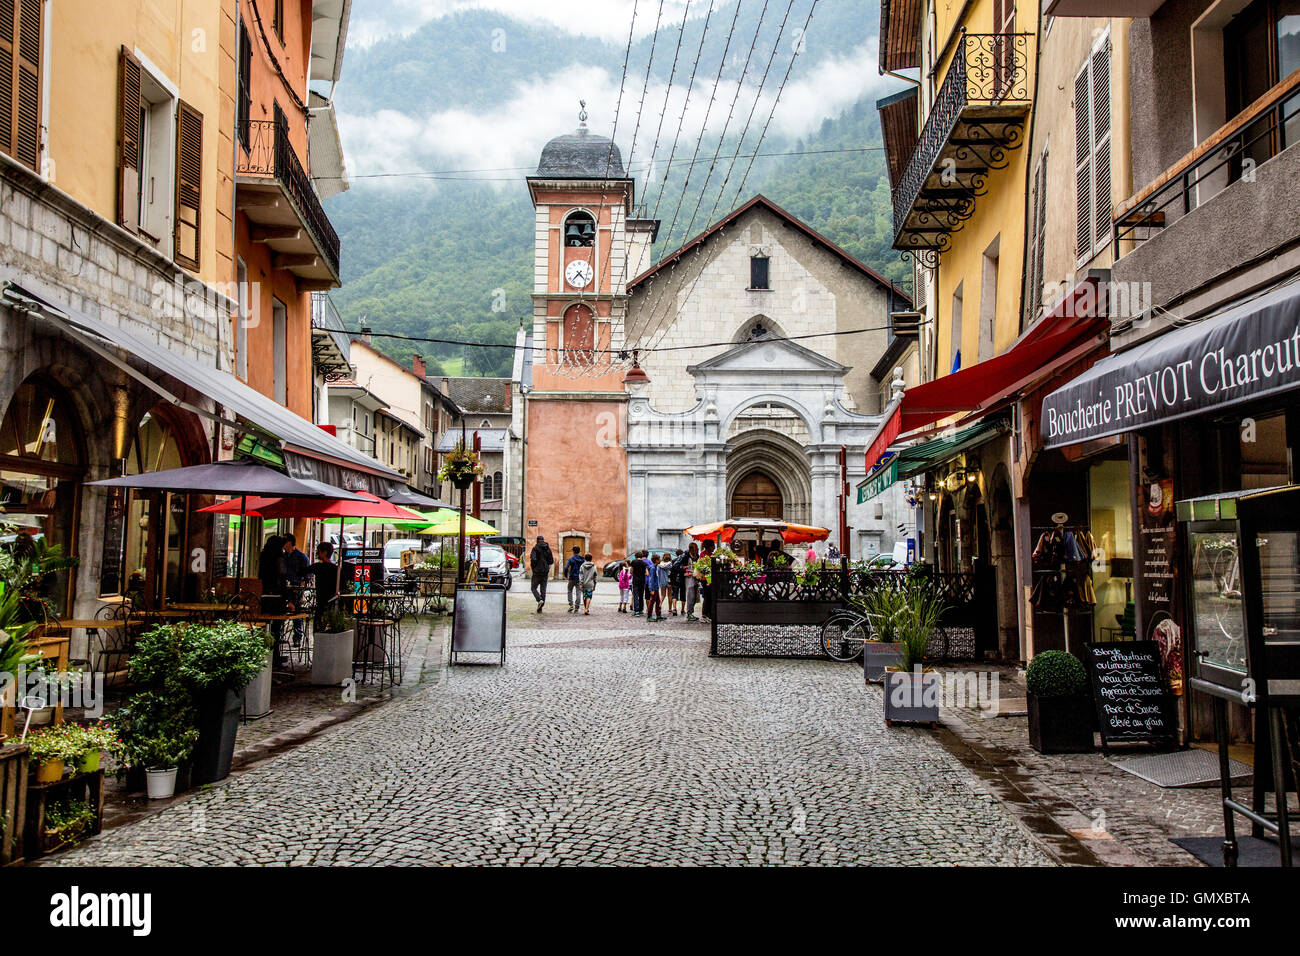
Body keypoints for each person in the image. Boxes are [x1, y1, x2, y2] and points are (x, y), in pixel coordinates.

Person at [529, 536, 554, 612]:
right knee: (543, 590)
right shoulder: (547, 549)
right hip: (545, 571)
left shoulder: (535, 548)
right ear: (543, 540)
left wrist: (534, 567)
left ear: (537, 540)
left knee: (533, 588)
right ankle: (541, 608)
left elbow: (533, 559)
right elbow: (551, 561)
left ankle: (539, 600)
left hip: (537, 571)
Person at [683, 542, 701, 621]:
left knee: (695, 597)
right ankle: (689, 613)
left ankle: (691, 612)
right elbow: (677, 566)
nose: (696, 551)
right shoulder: (685, 556)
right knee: (691, 596)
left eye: (697, 549)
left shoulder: (697, 556)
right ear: (691, 549)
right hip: (689, 578)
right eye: (695, 549)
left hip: (695, 577)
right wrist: (684, 572)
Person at [645, 554, 665, 622]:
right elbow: (651, 579)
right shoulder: (653, 568)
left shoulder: (655, 567)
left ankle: (658, 614)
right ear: (656, 560)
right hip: (653, 588)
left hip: (656, 587)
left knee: (658, 601)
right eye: (659, 559)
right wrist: (651, 589)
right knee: (652, 602)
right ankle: (649, 616)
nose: (660, 560)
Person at [564, 545, 584, 613]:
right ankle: (577, 606)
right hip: (580, 578)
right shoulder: (582, 559)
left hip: (572, 577)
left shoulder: (571, 559)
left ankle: (571, 605)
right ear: (579, 551)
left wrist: (566, 575)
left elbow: (566, 567)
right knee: (578, 592)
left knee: (570, 590)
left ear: (573, 551)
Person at [631, 549, 648, 617]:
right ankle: (641, 610)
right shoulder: (644, 563)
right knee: (641, 595)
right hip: (642, 581)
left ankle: (636, 610)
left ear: (635, 556)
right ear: (641, 556)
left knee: (635, 595)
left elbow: (631, 571)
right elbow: (647, 573)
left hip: (635, 581)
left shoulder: (633, 562)